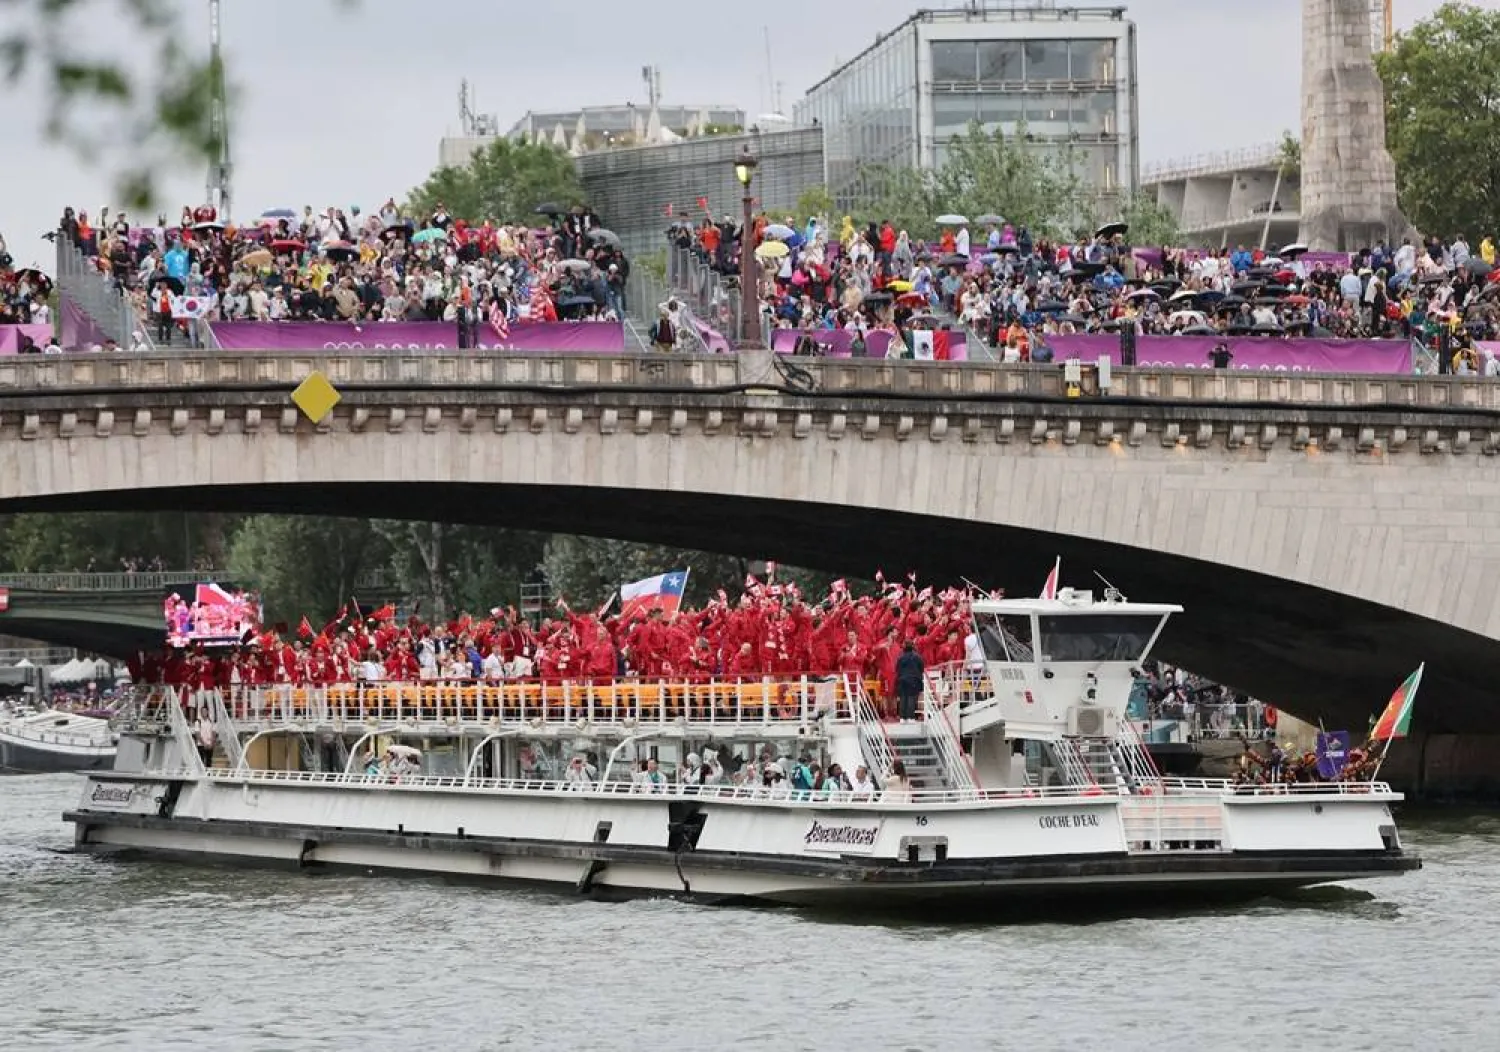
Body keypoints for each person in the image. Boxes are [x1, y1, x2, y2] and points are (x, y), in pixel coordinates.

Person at [895, 640, 925, 721]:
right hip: (914, 680)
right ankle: (910, 717)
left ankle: (902, 718)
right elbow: (922, 668)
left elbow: (897, 669)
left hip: (902, 680)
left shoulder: (900, 658)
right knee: (911, 698)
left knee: (903, 698)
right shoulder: (917, 657)